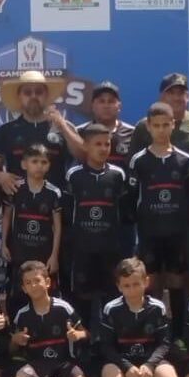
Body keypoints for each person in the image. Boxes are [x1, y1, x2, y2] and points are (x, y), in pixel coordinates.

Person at [127, 102, 189, 337]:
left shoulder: (185, 160)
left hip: (177, 232)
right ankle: (151, 334)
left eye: (166, 125)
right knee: (151, 284)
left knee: (176, 282)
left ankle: (178, 336)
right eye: (156, 126)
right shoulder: (138, 160)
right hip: (149, 233)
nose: (161, 130)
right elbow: (131, 198)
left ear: (173, 125)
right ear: (148, 126)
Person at [64, 124, 127, 331]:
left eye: (106, 144)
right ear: (85, 146)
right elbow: (67, 213)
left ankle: (108, 341)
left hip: (110, 249)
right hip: (82, 249)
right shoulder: (74, 175)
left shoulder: (118, 175)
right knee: (82, 298)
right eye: (97, 144)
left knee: (111, 297)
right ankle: (84, 342)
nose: (103, 148)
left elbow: (124, 212)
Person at [0, 70, 79, 193]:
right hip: (18, 201)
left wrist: (63, 127)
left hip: (58, 202)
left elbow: (84, 157)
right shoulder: (4, 131)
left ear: (46, 96)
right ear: (19, 97)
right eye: (27, 92)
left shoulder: (64, 127)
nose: (33, 96)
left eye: (39, 92)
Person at [1, 143, 62, 314]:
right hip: (19, 252)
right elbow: (7, 217)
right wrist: (3, 244)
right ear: (24, 164)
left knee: (45, 295)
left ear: (49, 165)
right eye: (34, 161)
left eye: (44, 162)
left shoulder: (54, 192)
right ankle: (16, 327)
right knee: (17, 296)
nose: (39, 166)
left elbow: (57, 226)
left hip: (44, 254)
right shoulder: (15, 188)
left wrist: (54, 256)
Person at [129, 73, 189, 156]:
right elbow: (134, 160)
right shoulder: (144, 126)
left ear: (187, 96)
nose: (176, 98)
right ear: (161, 97)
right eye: (171, 93)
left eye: (180, 93)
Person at [76, 82, 136, 170]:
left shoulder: (133, 133)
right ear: (92, 105)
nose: (106, 106)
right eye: (101, 101)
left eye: (111, 101)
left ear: (119, 106)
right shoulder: (79, 132)